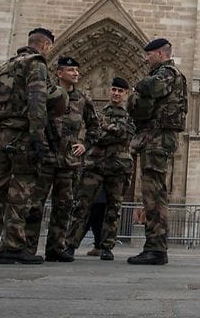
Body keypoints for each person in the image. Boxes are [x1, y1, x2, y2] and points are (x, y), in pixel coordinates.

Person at [0, 27, 55, 265]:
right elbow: (37, 101)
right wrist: (39, 138)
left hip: (3, 135)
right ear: (46, 46)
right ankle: (13, 245)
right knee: (21, 190)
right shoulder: (35, 64)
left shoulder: (4, 67)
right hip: (23, 135)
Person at [25, 56, 94, 262]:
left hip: (68, 162)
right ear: (59, 73)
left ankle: (56, 248)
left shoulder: (82, 99)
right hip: (45, 158)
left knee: (63, 206)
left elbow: (95, 126)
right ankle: (28, 248)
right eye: (71, 70)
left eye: (77, 70)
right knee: (35, 205)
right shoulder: (46, 95)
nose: (76, 73)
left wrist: (85, 145)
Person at [127, 38, 188, 265]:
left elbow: (153, 88)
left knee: (154, 195)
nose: (145, 59)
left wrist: (138, 86)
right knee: (154, 193)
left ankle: (156, 248)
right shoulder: (169, 73)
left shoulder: (167, 73)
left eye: (149, 55)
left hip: (157, 138)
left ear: (161, 54)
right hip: (156, 138)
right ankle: (155, 247)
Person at [66, 76, 135, 261]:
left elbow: (124, 134)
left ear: (126, 94)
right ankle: (70, 245)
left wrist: (105, 131)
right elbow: (93, 134)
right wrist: (108, 131)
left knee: (113, 209)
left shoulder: (130, 114)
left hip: (118, 167)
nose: (116, 93)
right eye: (114, 90)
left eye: (120, 91)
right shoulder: (98, 112)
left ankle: (106, 247)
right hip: (95, 165)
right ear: (109, 91)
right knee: (81, 205)